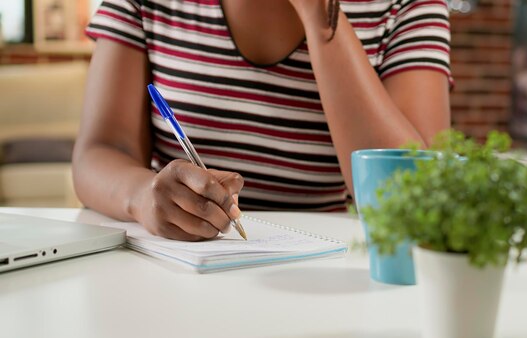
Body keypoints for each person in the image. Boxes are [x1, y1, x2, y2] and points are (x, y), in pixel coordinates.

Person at [72, 0, 452, 241]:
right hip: (178, 267)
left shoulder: (407, 5)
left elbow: (418, 197)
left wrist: (319, 14)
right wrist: (143, 195)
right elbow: (100, 151)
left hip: (323, 272)